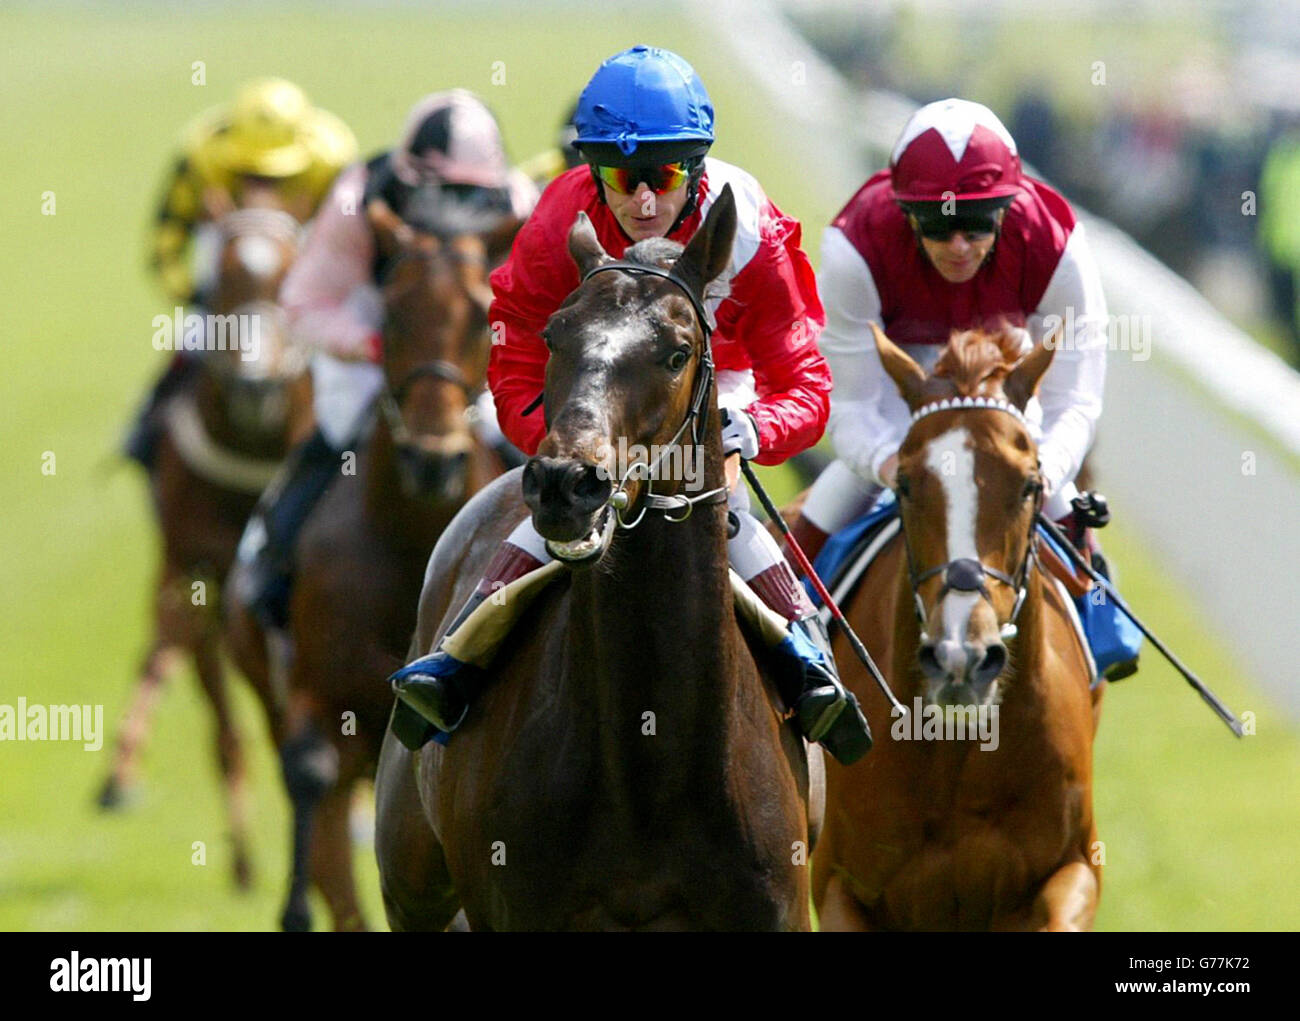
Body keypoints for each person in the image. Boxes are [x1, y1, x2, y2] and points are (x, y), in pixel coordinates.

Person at [391, 46, 873, 764]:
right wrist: (545, 437)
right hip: (597, 390)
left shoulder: (751, 232)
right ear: (593, 173)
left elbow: (803, 384)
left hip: (711, 384)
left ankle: (810, 658)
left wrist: (747, 429)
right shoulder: (561, 216)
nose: (645, 202)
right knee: (552, 500)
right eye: (623, 179)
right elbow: (517, 340)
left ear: (697, 168)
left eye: (665, 176)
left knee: (726, 504)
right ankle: (456, 654)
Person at [792, 97, 1137, 680]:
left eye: (978, 224)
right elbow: (849, 406)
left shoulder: (1057, 244)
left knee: (1073, 521)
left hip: (1005, 388)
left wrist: (1040, 470)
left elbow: (1076, 400)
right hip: (901, 398)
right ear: (905, 214)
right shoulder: (855, 246)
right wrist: (893, 463)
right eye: (935, 225)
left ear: (1009, 209)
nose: (958, 245)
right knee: (824, 506)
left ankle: (1104, 624)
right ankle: (793, 619)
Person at [233, 90, 539, 631]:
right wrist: (374, 346)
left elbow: (538, 313)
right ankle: (268, 563)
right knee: (336, 429)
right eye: (444, 193)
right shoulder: (358, 195)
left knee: (517, 440)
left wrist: (473, 353)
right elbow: (304, 302)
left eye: (468, 196)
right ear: (411, 179)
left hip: (466, 354)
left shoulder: (517, 203)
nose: (455, 210)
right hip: (370, 339)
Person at [125, 78, 357, 468]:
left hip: (310, 254)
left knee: (337, 357)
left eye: (279, 176)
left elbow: (351, 243)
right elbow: (166, 239)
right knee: (193, 339)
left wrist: (327, 300)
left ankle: (351, 441)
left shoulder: (334, 159)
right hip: (224, 250)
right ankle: (143, 432)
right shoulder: (201, 153)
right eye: (248, 173)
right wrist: (197, 296)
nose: (262, 185)